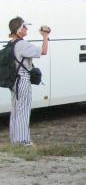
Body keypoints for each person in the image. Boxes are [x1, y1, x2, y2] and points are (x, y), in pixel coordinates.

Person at [7, 17, 48, 145]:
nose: (26, 29)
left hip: (14, 81)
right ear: (19, 29)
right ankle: (23, 141)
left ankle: (15, 140)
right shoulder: (22, 44)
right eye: (24, 26)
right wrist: (45, 36)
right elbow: (43, 51)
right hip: (23, 79)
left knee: (16, 111)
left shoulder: (12, 42)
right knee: (23, 111)